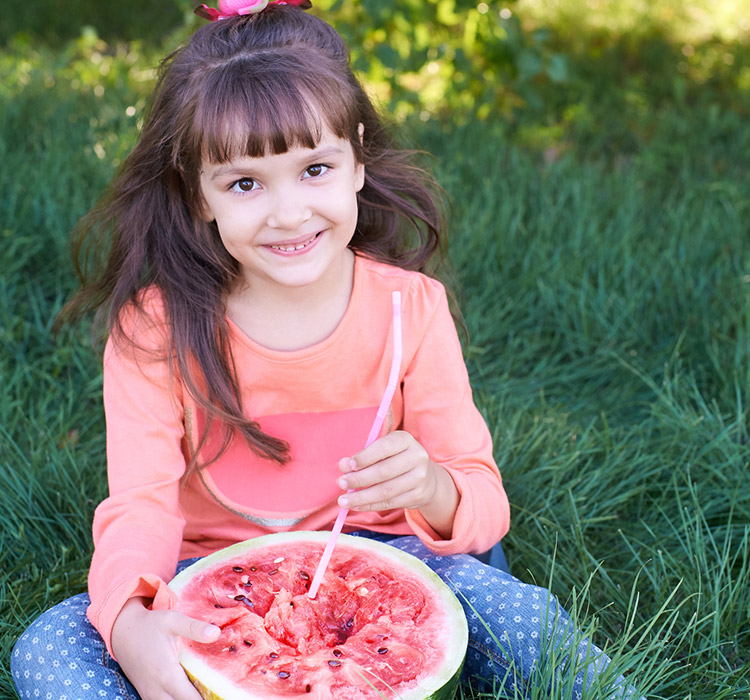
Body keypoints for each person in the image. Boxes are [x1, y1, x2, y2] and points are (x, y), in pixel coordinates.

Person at [11, 3, 643, 699]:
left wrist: (431, 486)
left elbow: (483, 499)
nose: (288, 213)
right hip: (205, 573)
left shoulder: (412, 309)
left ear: (358, 160)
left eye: (314, 169)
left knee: (519, 613)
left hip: (388, 551)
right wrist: (130, 622)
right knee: (51, 646)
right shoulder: (153, 330)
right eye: (245, 183)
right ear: (198, 195)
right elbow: (142, 508)